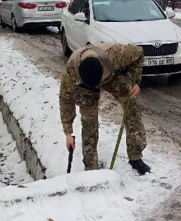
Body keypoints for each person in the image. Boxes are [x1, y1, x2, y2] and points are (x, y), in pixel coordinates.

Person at [59, 43, 151, 175]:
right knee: (88, 123)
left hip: (112, 77)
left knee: (132, 110)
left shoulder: (116, 55)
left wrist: (137, 82)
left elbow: (139, 53)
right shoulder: (72, 71)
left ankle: (135, 156)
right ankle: (91, 167)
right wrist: (68, 132)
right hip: (86, 88)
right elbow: (65, 100)